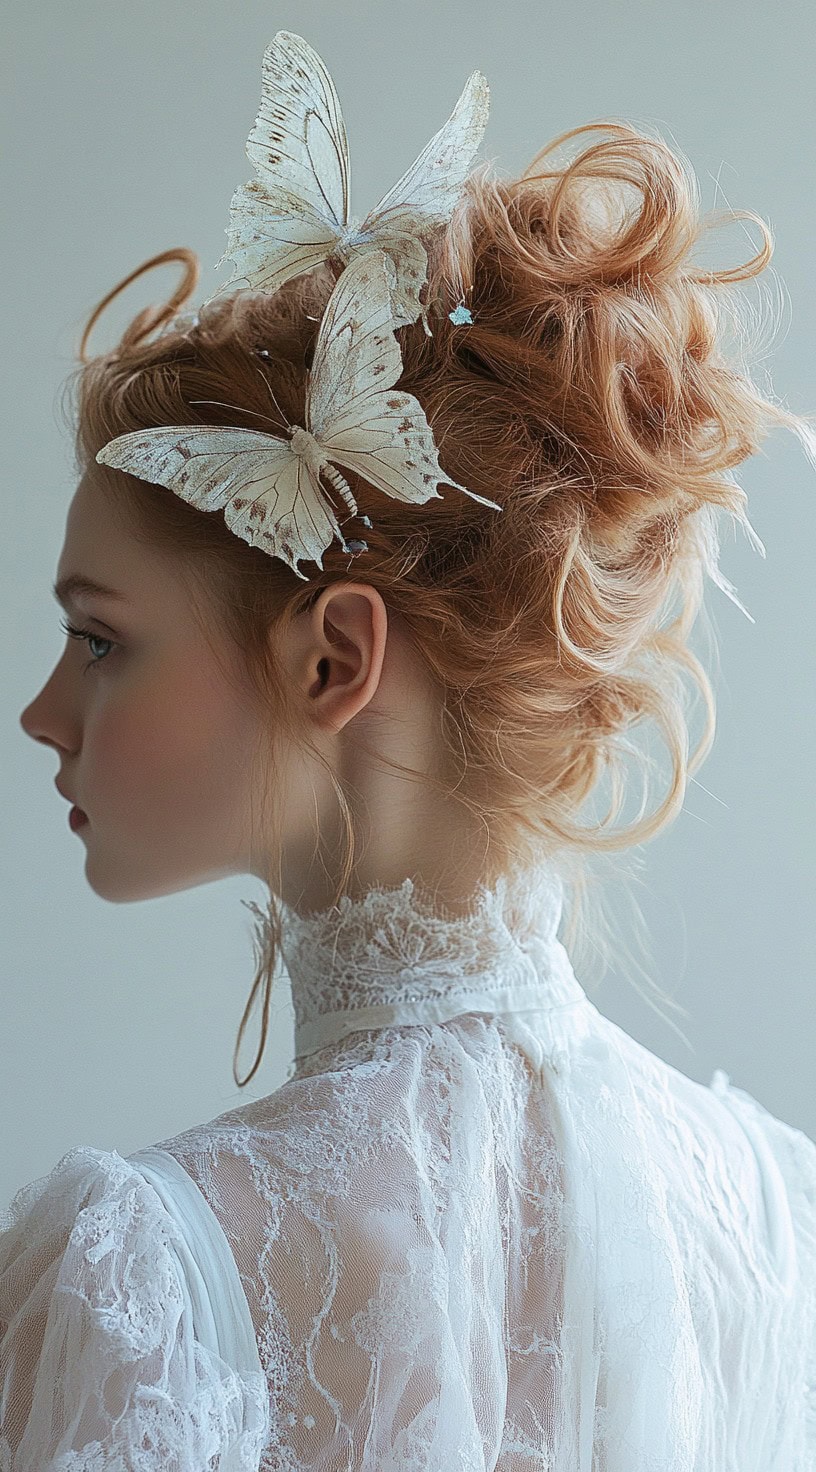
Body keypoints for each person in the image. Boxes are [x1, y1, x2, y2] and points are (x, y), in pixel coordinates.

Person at [3, 29, 815, 1471]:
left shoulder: (147, 1274)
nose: (42, 714)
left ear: (335, 658)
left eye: (100, 638)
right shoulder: (775, 1217)